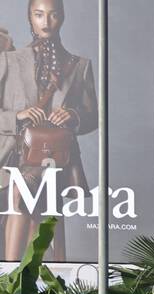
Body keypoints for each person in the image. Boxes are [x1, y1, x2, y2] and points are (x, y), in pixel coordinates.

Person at [0, 0, 98, 261]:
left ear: (62, 18)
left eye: (53, 15)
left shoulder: (79, 65)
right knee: (21, 196)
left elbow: (92, 117)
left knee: (40, 219)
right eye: (39, 15)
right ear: (30, 18)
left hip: (57, 159)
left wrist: (74, 115)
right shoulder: (8, 61)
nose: (46, 22)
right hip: (14, 158)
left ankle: (41, 283)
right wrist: (17, 116)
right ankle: (10, 276)